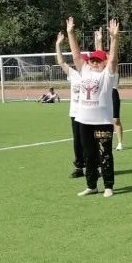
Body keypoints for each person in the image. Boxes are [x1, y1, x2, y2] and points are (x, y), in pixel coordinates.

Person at [66, 17, 121, 197]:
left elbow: (113, 60)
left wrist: (114, 38)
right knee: (89, 155)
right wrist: (70, 33)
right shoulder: (85, 71)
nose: (95, 63)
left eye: (98, 61)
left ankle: (108, 186)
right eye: (92, 61)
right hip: (84, 121)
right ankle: (91, 185)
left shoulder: (107, 75)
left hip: (102, 122)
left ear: (104, 63)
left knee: (105, 154)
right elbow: (76, 55)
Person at [55, 35, 87, 179]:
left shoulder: (91, 74)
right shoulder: (73, 74)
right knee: (77, 141)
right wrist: (58, 44)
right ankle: (79, 167)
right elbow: (61, 62)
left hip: (89, 112)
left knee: (89, 141)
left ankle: (94, 166)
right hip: (75, 113)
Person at [94, 29, 125, 151]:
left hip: (113, 92)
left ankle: (120, 142)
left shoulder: (113, 67)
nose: (106, 57)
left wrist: (113, 38)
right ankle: (102, 141)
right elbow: (98, 54)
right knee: (101, 119)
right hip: (102, 93)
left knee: (115, 120)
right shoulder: (102, 69)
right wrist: (98, 40)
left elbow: (113, 55)